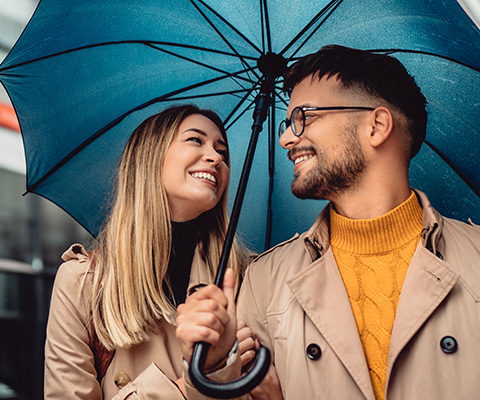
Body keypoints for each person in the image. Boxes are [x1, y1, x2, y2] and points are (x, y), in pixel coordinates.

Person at [176, 45, 480, 399]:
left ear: (377, 126)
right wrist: (215, 367)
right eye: (288, 122)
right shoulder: (265, 281)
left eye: (303, 116)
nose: (286, 137)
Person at [44, 104, 252, 399]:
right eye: (196, 140)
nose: (216, 157)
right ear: (150, 157)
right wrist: (187, 384)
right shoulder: (83, 283)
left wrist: (224, 365)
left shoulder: (247, 277)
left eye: (223, 152)